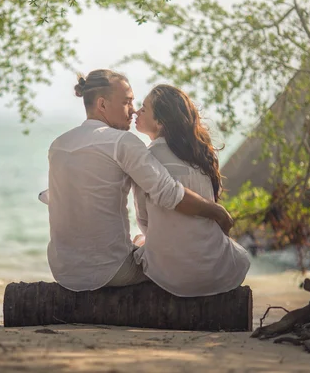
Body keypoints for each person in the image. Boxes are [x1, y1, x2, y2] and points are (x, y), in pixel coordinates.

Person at [47, 69, 234, 292]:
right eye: (127, 102)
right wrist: (217, 212)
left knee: (140, 240)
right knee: (153, 249)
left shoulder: (58, 145)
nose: (133, 110)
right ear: (102, 105)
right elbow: (169, 193)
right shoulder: (122, 142)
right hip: (112, 271)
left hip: (64, 271)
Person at [133, 84, 250, 297]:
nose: (136, 111)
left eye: (143, 108)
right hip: (212, 270)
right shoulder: (201, 155)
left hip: (170, 275)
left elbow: (143, 220)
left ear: (159, 122)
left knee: (137, 240)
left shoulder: (145, 160)